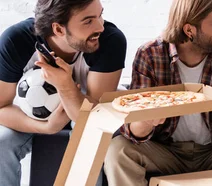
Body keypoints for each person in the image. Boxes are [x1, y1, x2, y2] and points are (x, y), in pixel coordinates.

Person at [103, 0, 212, 185]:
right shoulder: (150, 54)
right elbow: (133, 133)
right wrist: (146, 119)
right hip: (166, 151)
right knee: (117, 149)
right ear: (189, 30)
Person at [0, 0, 126, 185]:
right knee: (2, 142)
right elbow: (1, 107)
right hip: (35, 116)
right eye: (88, 21)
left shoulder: (110, 41)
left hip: (86, 114)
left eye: (100, 15)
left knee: (88, 139)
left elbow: (92, 120)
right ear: (58, 29)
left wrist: (65, 85)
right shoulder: (16, 40)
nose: (100, 26)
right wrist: (47, 127)